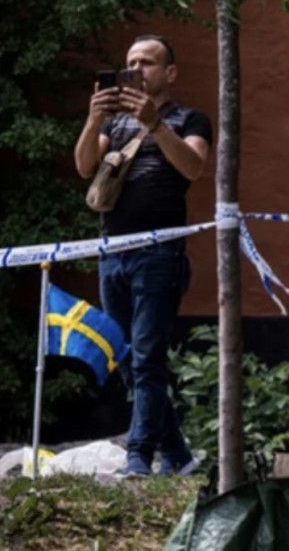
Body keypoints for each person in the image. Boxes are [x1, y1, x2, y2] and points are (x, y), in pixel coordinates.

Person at [74, 35, 212, 477]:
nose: (136, 70)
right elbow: (84, 167)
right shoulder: (113, 124)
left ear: (169, 73)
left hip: (159, 253)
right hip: (112, 252)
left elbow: (193, 167)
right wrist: (94, 118)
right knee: (127, 357)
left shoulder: (190, 119)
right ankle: (178, 456)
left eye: (147, 63)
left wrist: (155, 125)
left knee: (148, 357)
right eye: (130, 62)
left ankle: (139, 457)